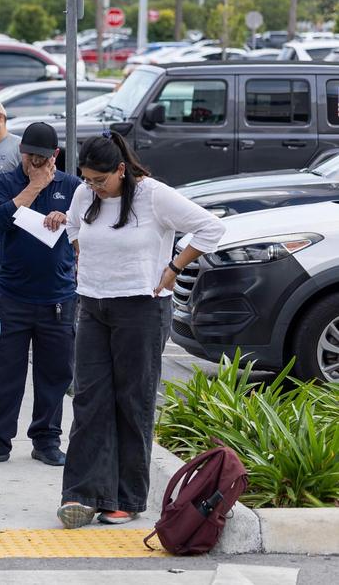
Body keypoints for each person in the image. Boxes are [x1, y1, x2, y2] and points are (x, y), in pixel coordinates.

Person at [57, 133, 225, 529]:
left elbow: (210, 228)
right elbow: (73, 230)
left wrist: (173, 268)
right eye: (87, 180)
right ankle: (81, 493)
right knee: (89, 400)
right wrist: (90, 261)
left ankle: (127, 498)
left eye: (100, 180)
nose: (92, 187)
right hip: (92, 304)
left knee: (131, 402)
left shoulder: (153, 196)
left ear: (121, 169)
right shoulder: (85, 194)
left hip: (141, 307)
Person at [0, 122, 82, 467]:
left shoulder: (72, 186)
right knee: (4, 372)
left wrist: (66, 216)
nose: (35, 164)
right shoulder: (4, 183)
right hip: (12, 295)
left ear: (54, 155)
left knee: (54, 374)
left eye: (42, 158)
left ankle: (46, 439)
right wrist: (35, 186)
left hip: (58, 297)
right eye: (29, 156)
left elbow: (88, 222)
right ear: (21, 153)